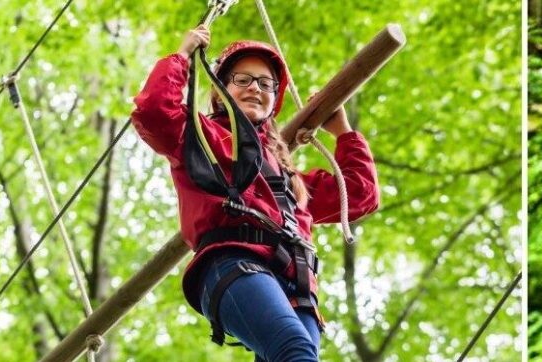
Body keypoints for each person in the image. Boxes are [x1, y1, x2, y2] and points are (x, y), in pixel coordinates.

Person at [130, 25, 380, 361]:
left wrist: (343, 132)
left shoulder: (288, 176)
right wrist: (182, 55)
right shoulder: (203, 139)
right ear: (220, 91)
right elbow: (154, 113)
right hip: (234, 264)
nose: (255, 89)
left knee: (296, 353)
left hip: (297, 289)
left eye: (266, 84)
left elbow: (359, 195)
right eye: (243, 80)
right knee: (296, 351)